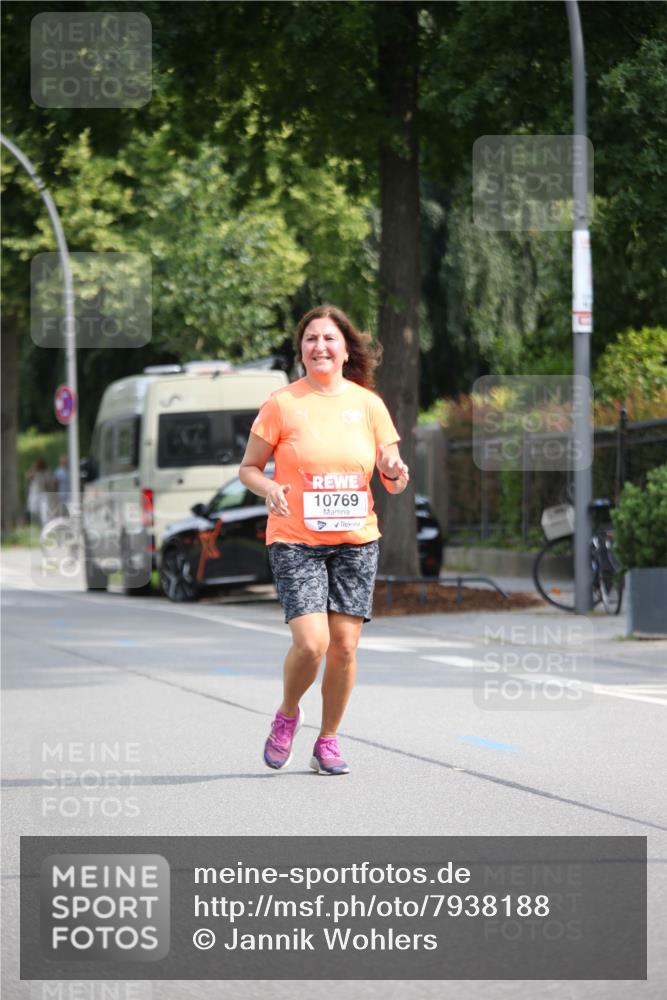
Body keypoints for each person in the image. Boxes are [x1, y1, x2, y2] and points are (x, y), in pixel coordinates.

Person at [239, 305, 409, 776]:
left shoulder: (369, 404)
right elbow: (248, 468)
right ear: (301, 351)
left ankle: (329, 740)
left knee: (345, 646)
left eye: (329, 339)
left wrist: (395, 472)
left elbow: (392, 477)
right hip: (296, 538)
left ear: (345, 348)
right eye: (311, 339)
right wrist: (270, 487)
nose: (320, 346)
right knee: (312, 643)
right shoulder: (281, 404)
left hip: (356, 540)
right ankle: (287, 714)